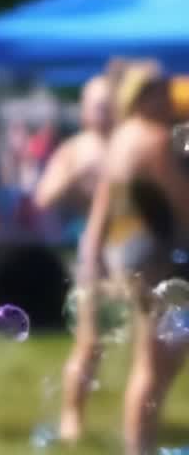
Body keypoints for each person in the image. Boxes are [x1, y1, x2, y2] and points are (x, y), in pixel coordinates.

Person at [78, 62, 189, 455]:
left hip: (128, 252)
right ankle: (139, 446)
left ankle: (138, 444)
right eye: (159, 88)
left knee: (150, 360)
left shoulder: (121, 137)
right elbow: (182, 201)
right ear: (143, 96)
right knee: (158, 365)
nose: (168, 95)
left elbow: (105, 205)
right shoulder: (156, 139)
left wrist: (94, 254)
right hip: (158, 257)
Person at [38, 75, 115, 443]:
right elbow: (43, 197)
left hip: (131, 251)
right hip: (90, 250)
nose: (103, 111)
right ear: (85, 110)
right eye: (97, 104)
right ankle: (72, 418)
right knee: (89, 341)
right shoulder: (75, 150)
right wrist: (74, 179)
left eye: (108, 103)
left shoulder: (125, 144)